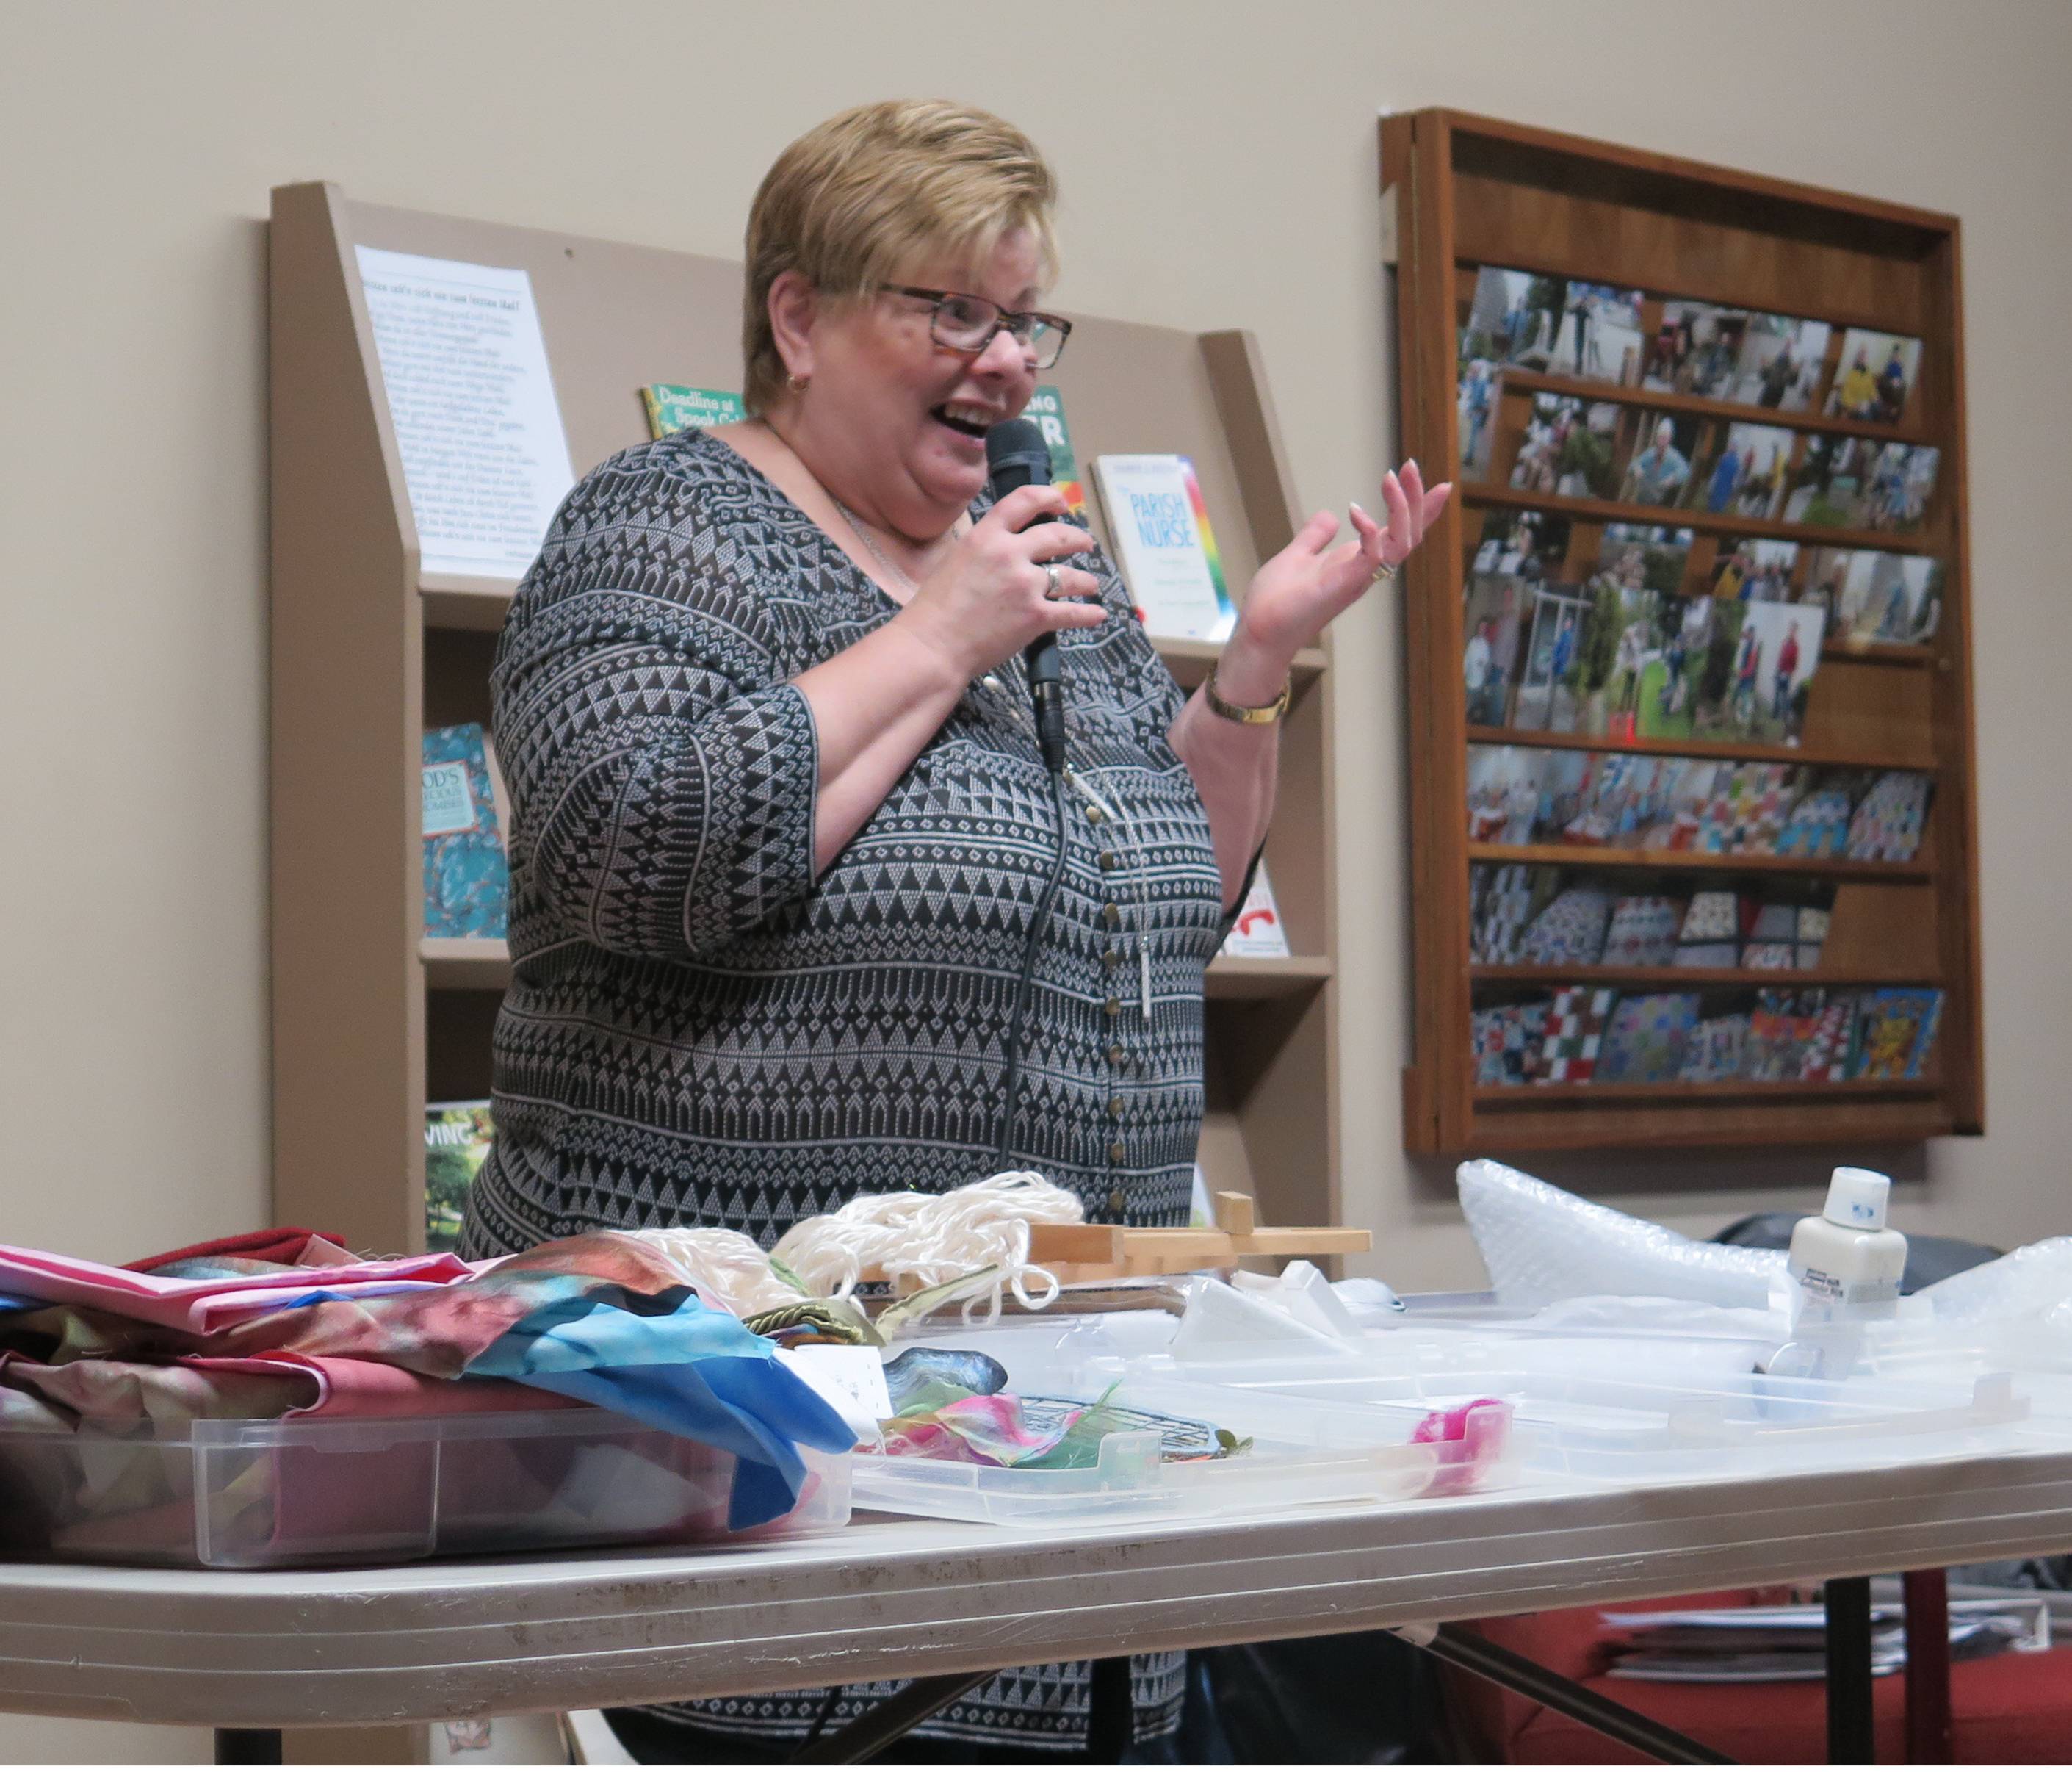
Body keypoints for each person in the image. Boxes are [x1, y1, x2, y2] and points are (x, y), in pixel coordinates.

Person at [455, 100, 1445, 1763]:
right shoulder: (662, 530)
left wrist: (1251, 674)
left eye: (1023, 319)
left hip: (1051, 1487)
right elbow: (635, 853)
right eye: (951, 311)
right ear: (797, 317)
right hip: (744, 1494)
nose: (1001, 362)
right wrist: (937, 637)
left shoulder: (1039, 567)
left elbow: (1164, 916)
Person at [1621, 417, 1691, 505]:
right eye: (1660, 437)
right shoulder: (1651, 453)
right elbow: (1634, 464)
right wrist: (1637, 468)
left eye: (1665, 438)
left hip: (1663, 498)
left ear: (1669, 439)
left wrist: (1673, 478)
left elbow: (1686, 471)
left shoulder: (1674, 456)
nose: (1662, 441)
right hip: (1644, 496)